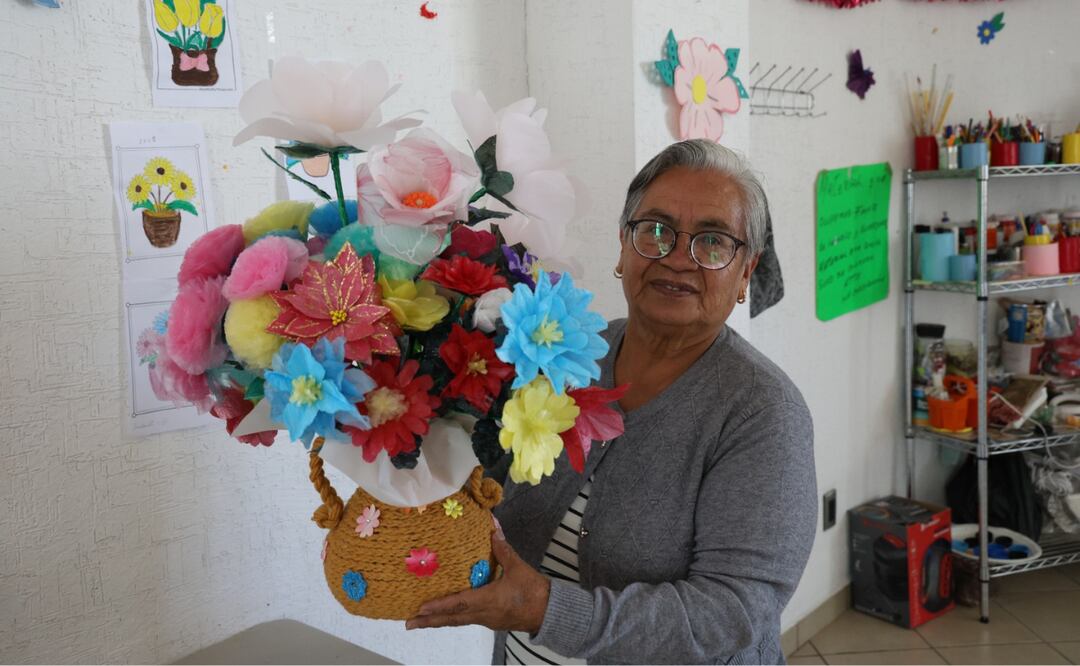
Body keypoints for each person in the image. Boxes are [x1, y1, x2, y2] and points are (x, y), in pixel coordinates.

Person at [405, 139, 817, 665]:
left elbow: (734, 611)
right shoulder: (562, 355)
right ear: (624, 245)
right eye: (656, 231)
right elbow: (486, 485)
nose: (676, 258)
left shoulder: (762, 412)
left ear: (745, 272)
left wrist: (544, 610)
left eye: (712, 241)